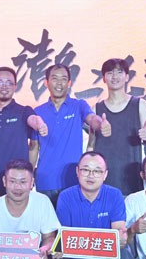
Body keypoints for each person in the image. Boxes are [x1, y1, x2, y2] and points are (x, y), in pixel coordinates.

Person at [34, 64, 107, 206]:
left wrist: (100, 124)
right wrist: (30, 175)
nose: (59, 83)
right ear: (46, 83)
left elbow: (92, 118)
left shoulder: (78, 106)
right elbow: (34, 147)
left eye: (63, 79)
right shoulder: (38, 112)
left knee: (72, 221)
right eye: (55, 78)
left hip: (72, 181)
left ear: (69, 83)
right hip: (45, 181)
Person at [0, 67, 44, 205]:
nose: (4, 86)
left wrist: (40, 124)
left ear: (15, 86)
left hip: (19, 184)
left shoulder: (24, 111)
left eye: (9, 82)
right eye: (0, 82)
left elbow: (33, 122)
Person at [87, 58, 146, 196]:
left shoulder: (140, 104)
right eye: (110, 73)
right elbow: (91, 146)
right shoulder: (96, 109)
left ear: (127, 77)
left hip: (131, 179)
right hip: (103, 181)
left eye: (119, 72)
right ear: (103, 78)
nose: (114, 76)